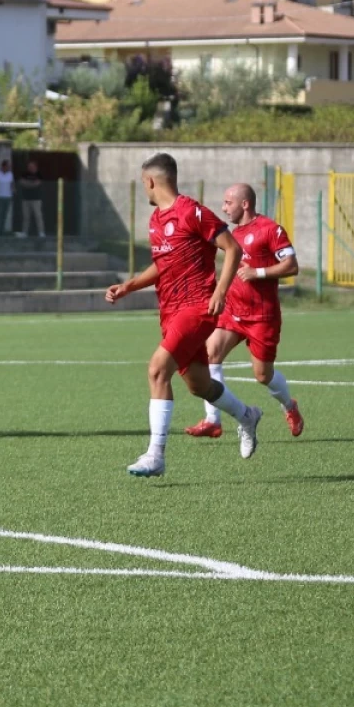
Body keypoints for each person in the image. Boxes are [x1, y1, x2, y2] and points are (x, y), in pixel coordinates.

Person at [103, 153, 264, 478]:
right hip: (170, 311)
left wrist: (219, 291)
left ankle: (155, 455)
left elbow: (232, 249)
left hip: (197, 307)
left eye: (143, 183)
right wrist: (129, 286)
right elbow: (163, 266)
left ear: (150, 181)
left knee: (157, 370)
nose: (144, 189)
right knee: (200, 386)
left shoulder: (192, 211)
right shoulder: (156, 221)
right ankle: (247, 415)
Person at [184, 184, 305, 439]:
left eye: (228, 202)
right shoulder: (232, 235)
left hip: (262, 316)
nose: (224, 207)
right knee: (210, 354)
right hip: (232, 312)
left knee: (263, 375)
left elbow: (292, 266)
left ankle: (289, 406)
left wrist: (257, 273)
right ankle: (213, 421)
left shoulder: (270, 229)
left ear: (245, 204)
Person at [16, 157, 46, 238]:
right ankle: (24, 233)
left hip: (36, 199)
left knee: (38, 216)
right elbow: (21, 182)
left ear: (35, 166)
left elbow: (37, 183)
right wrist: (31, 184)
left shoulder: (39, 174)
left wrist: (28, 184)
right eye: (29, 166)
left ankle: (41, 232)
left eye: (31, 166)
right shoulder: (24, 174)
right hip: (26, 199)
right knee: (26, 217)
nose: (30, 168)